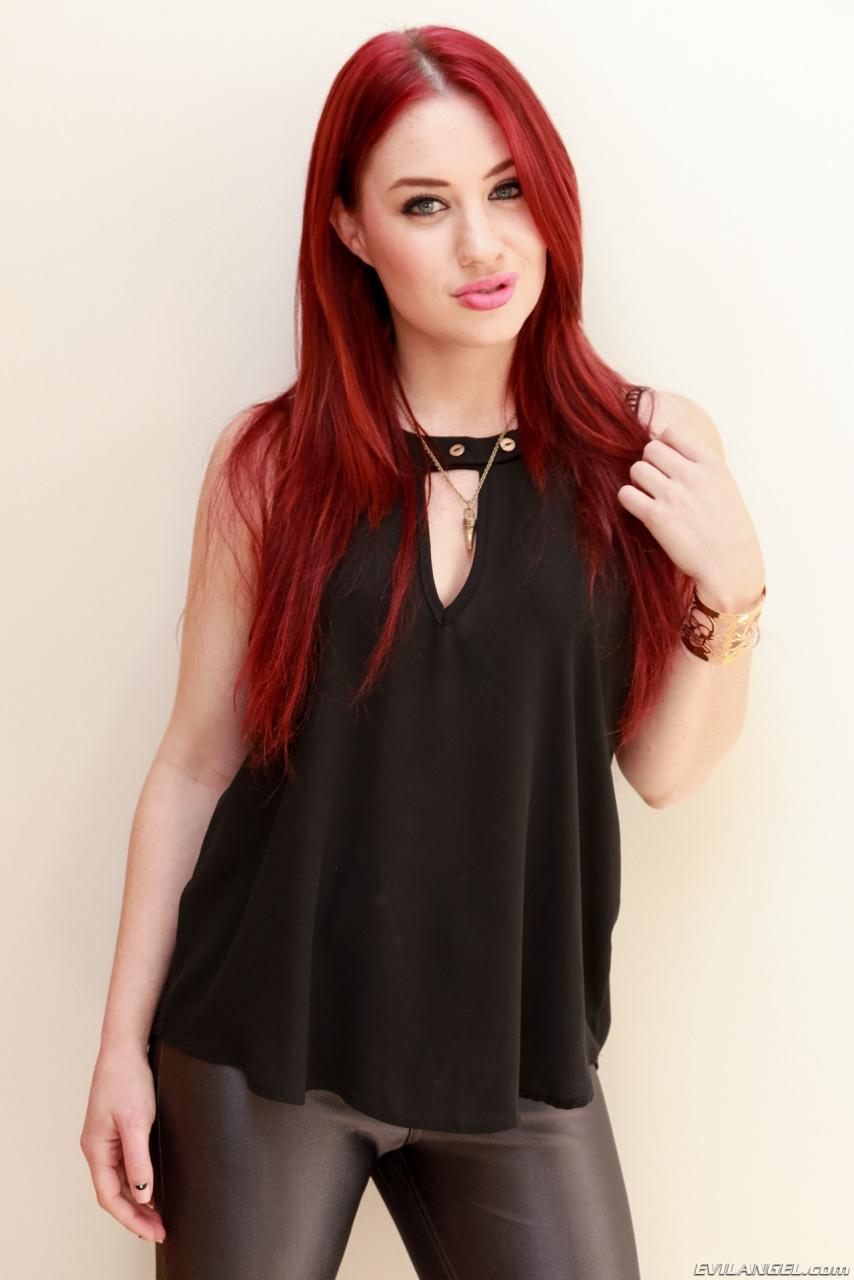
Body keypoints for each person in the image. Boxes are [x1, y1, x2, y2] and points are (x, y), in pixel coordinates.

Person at [79, 24, 766, 1280]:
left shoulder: (644, 450)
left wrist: (732, 584)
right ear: (349, 229)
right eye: (424, 204)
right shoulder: (269, 465)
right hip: (263, 1043)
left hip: (517, 1053)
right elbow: (193, 765)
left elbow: (663, 773)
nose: (481, 245)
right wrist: (121, 1047)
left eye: (506, 190)